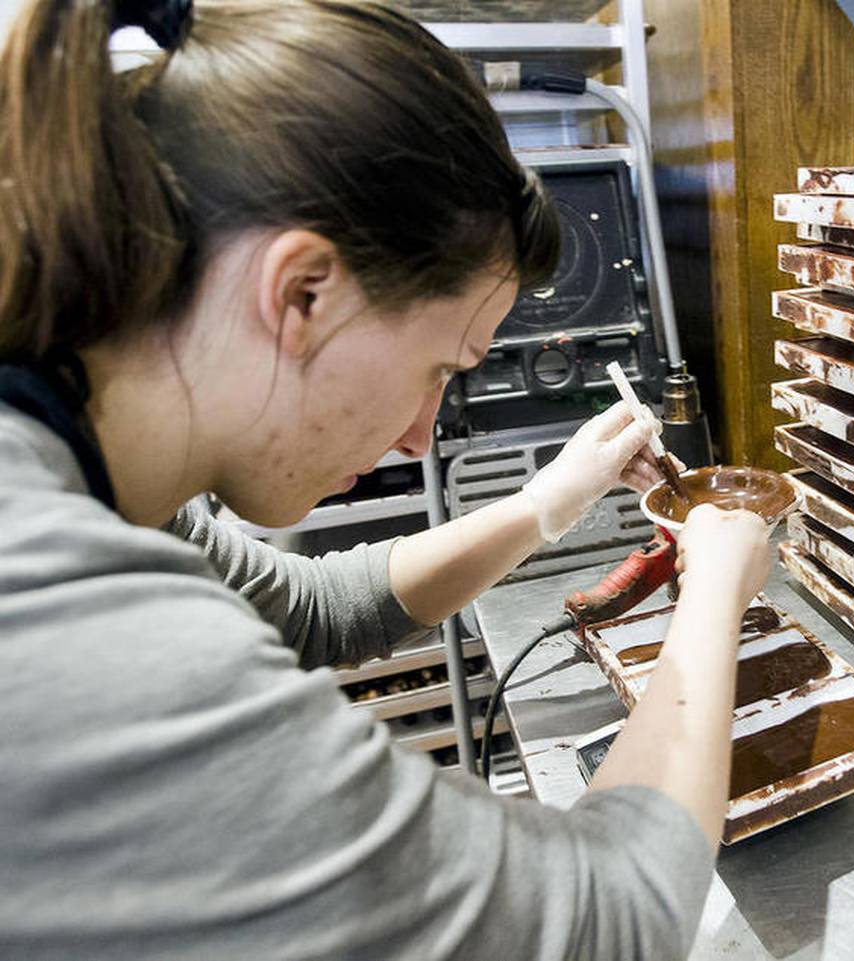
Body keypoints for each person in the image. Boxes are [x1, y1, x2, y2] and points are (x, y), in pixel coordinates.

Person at [0, 1, 773, 958]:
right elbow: (614, 921)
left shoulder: (92, 470)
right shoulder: (55, 612)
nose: (421, 434)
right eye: (441, 369)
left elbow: (316, 611)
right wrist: (714, 600)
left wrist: (546, 503)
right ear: (301, 293)